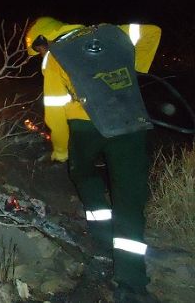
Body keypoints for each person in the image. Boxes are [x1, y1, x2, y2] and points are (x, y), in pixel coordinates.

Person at [25, 17, 161, 302]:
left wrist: (61, 150)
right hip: (130, 122)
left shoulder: (55, 56)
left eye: (38, 50)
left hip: (86, 128)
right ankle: (132, 283)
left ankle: (101, 238)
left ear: (42, 41)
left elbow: (55, 114)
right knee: (129, 198)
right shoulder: (110, 35)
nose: (40, 54)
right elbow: (151, 32)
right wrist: (130, 69)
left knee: (84, 174)